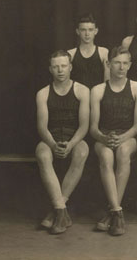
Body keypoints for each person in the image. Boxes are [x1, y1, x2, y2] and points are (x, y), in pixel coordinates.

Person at [90, 46, 137, 236]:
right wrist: (105, 138)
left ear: (130, 65)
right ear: (108, 64)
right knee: (106, 156)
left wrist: (122, 138)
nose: (121, 67)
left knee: (122, 152)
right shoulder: (98, 90)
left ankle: (112, 211)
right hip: (104, 136)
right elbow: (93, 128)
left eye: (125, 63)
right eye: (117, 63)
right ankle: (117, 212)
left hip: (128, 136)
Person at [35, 50, 90, 234]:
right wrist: (52, 145)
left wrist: (71, 144)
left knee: (82, 151)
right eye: (56, 66)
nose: (60, 70)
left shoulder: (82, 90)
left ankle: (56, 209)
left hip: (74, 138)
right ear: (50, 69)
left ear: (70, 67)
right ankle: (61, 210)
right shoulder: (42, 93)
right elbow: (42, 127)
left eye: (64, 66)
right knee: (42, 154)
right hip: (51, 138)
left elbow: (84, 126)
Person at [68, 13, 109, 89]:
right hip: (77, 98)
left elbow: (107, 82)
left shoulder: (103, 52)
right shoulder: (71, 53)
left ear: (96, 31)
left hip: (98, 97)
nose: (87, 34)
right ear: (77, 31)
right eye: (83, 30)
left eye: (90, 30)